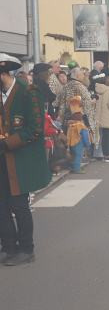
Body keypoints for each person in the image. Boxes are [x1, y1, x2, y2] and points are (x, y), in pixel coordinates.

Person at [0, 53, 49, 266]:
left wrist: (7, 143)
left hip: (20, 160)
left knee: (19, 205)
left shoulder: (29, 92)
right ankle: (9, 247)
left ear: (2, 74)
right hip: (2, 160)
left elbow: (36, 129)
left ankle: (27, 249)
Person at [64, 95, 90, 174]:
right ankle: (77, 169)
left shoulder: (70, 125)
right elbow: (85, 135)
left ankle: (72, 166)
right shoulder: (81, 125)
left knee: (73, 154)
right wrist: (87, 144)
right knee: (78, 155)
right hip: (79, 142)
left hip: (71, 142)